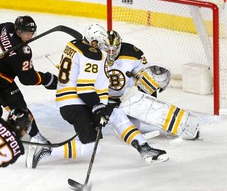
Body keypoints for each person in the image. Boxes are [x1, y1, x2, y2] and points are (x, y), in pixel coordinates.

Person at [25, 23, 168, 169]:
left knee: (116, 114)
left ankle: (144, 148)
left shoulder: (73, 44)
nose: (104, 48)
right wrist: (97, 107)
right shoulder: (92, 55)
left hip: (72, 100)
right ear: (93, 42)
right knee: (90, 148)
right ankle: (45, 150)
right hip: (76, 104)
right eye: (101, 44)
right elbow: (84, 88)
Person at [0, 15, 58, 163]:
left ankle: (38, 139)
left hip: (3, 77)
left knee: (21, 109)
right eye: (26, 33)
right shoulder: (22, 52)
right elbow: (28, 79)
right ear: (18, 31)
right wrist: (48, 79)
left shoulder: (7, 27)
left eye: (31, 33)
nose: (29, 36)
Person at [102, 30, 201, 140]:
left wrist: (150, 102)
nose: (111, 53)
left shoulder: (132, 53)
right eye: (107, 49)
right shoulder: (95, 55)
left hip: (127, 98)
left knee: (132, 128)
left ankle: (186, 125)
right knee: (124, 131)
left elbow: (147, 80)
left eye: (114, 49)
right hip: (104, 100)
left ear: (120, 44)